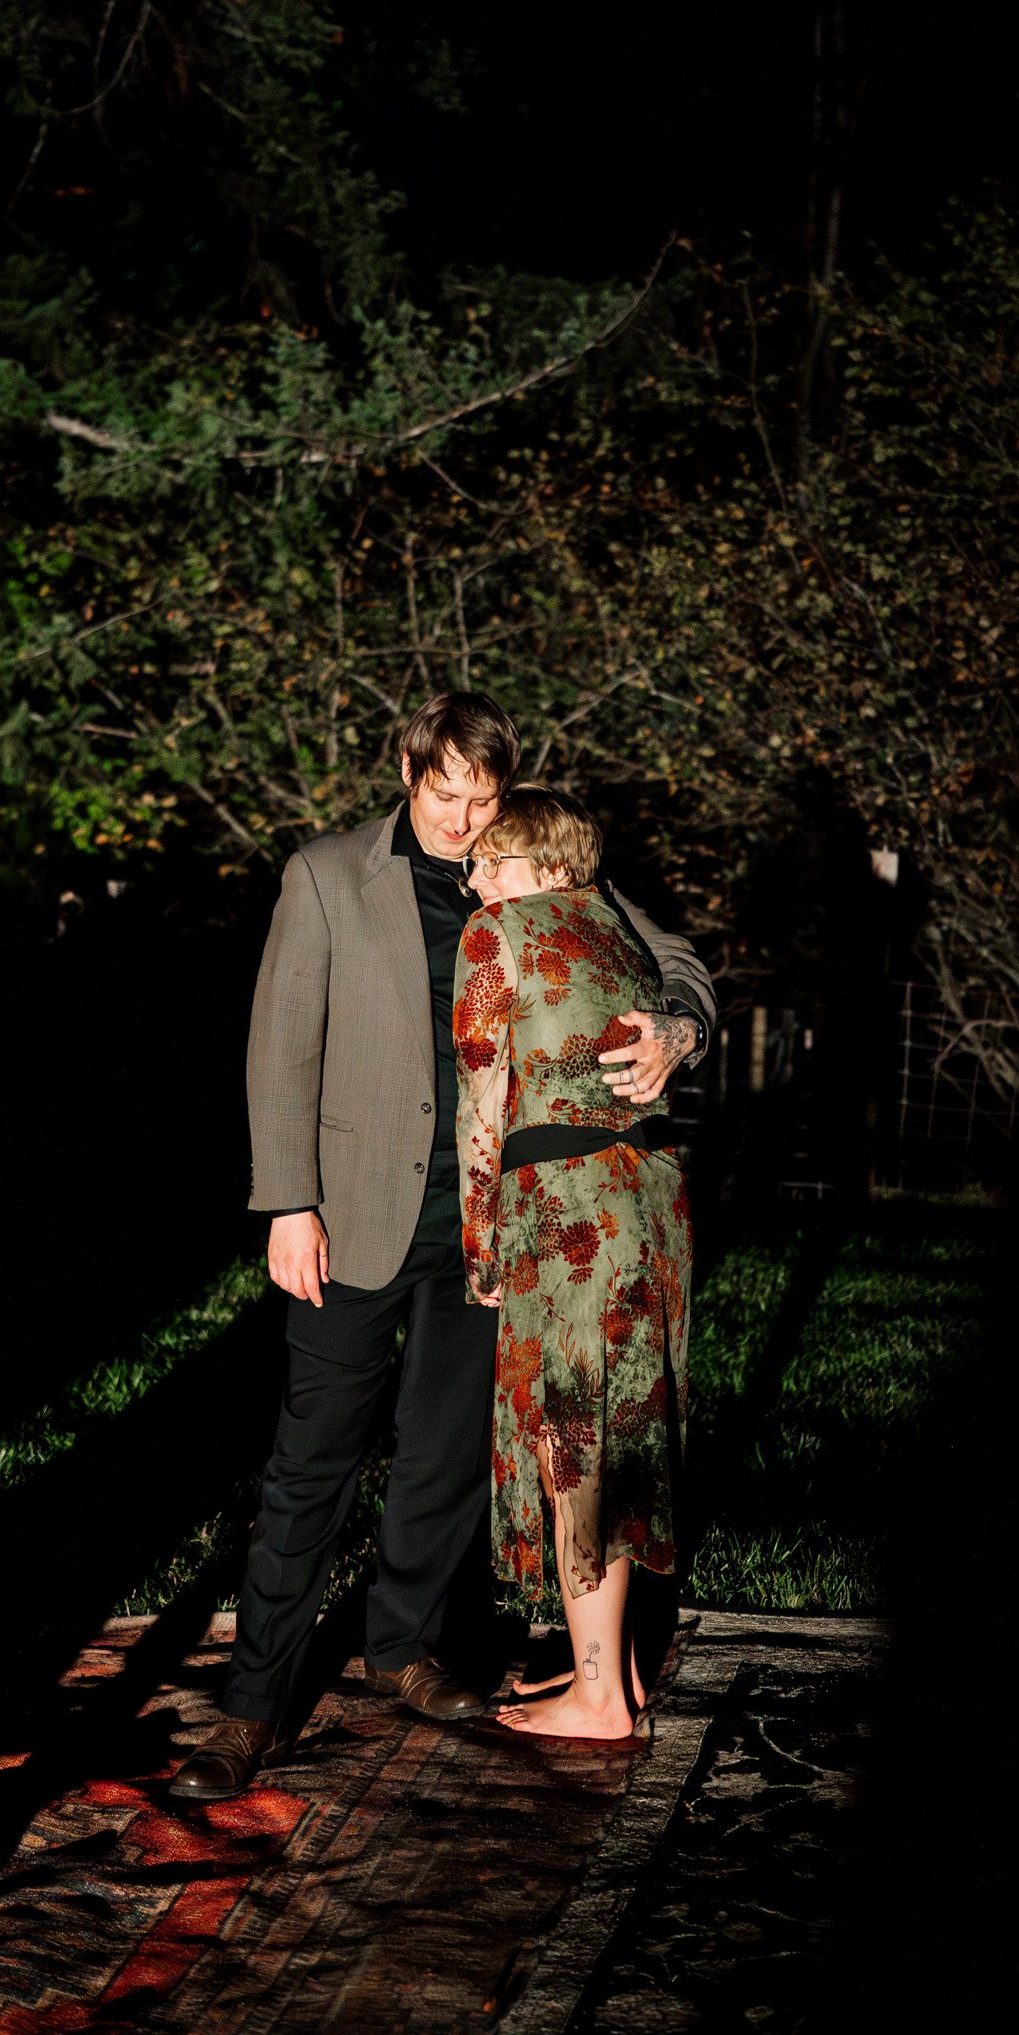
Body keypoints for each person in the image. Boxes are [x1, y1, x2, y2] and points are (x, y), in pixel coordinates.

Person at [172, 695, 713, 1799]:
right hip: (353, 1212)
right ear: (408, 774)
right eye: (445, 794)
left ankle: (404, 1647)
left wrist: (676, 1031)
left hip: (495, 1224)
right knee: (311, 1457)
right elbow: (280, 1049)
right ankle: (251, 1706)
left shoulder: (556, 877)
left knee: (446, 1450)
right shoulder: (325, 875)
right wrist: (287, 1204)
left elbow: (682, 963)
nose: (465, 819)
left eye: (485, 798)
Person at [453, 786, 694, 1740]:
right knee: (621, 1423)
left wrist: (480, 1241)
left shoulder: (497, 935)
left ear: (552, 864)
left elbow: (481, 1105)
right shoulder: (618, 934)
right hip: (654, 1199)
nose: (476, 882)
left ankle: (597, 1697)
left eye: (493, 863)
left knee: (571, 1437)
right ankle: (615, 1678)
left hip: (566, 1213)